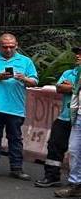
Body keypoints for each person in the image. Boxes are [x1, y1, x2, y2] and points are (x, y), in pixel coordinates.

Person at [0, 33, 37, 180]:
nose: (8, 50)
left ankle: (17, 168)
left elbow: (34, 81)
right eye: (5, 47)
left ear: (17, 45)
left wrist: (24, 78)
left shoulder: (25, 61)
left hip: (15, 107)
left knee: (15, 138)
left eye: (11, 46)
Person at [39, 47, 81, 189]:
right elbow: (59, 88)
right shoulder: (69, 73)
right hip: (65, 117)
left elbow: (67, 88)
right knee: (55, 145)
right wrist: (75, 87)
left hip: (78, 117)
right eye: (77, 53)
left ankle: (76, 181)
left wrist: (72, 86)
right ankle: (52, 176)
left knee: (76, 150)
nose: (78, 55)